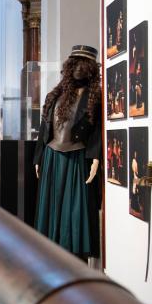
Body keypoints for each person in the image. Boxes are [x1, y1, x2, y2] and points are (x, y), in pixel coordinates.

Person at [33, 45, 102, 260]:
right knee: (52, 205)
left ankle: (74, 255)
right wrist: (38, 156)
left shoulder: (95, 96)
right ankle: (51, 251)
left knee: (75, 208)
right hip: (53, 155)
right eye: (75, 63)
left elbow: (98, 129)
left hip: (77, 156)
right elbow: (45, 127)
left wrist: (96, 156)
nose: (79, 68)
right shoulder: (56, 94)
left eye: (84, 64)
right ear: (69, 65)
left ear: (90, 68)